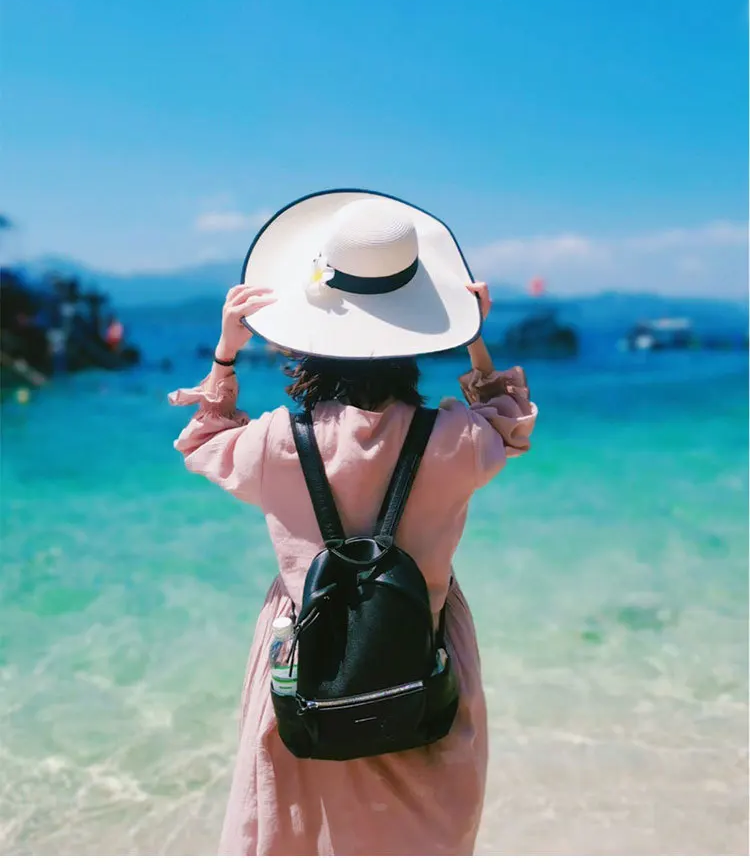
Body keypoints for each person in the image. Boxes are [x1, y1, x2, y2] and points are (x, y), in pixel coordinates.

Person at [169, 191, 537, 856]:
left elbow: (202, 442)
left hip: (308, 655)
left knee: (294, 827)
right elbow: (510, 423)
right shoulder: (457, 438)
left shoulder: (277, 442)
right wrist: (475, 340)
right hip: (420, 651)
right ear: (415, 336)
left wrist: (225, 356)